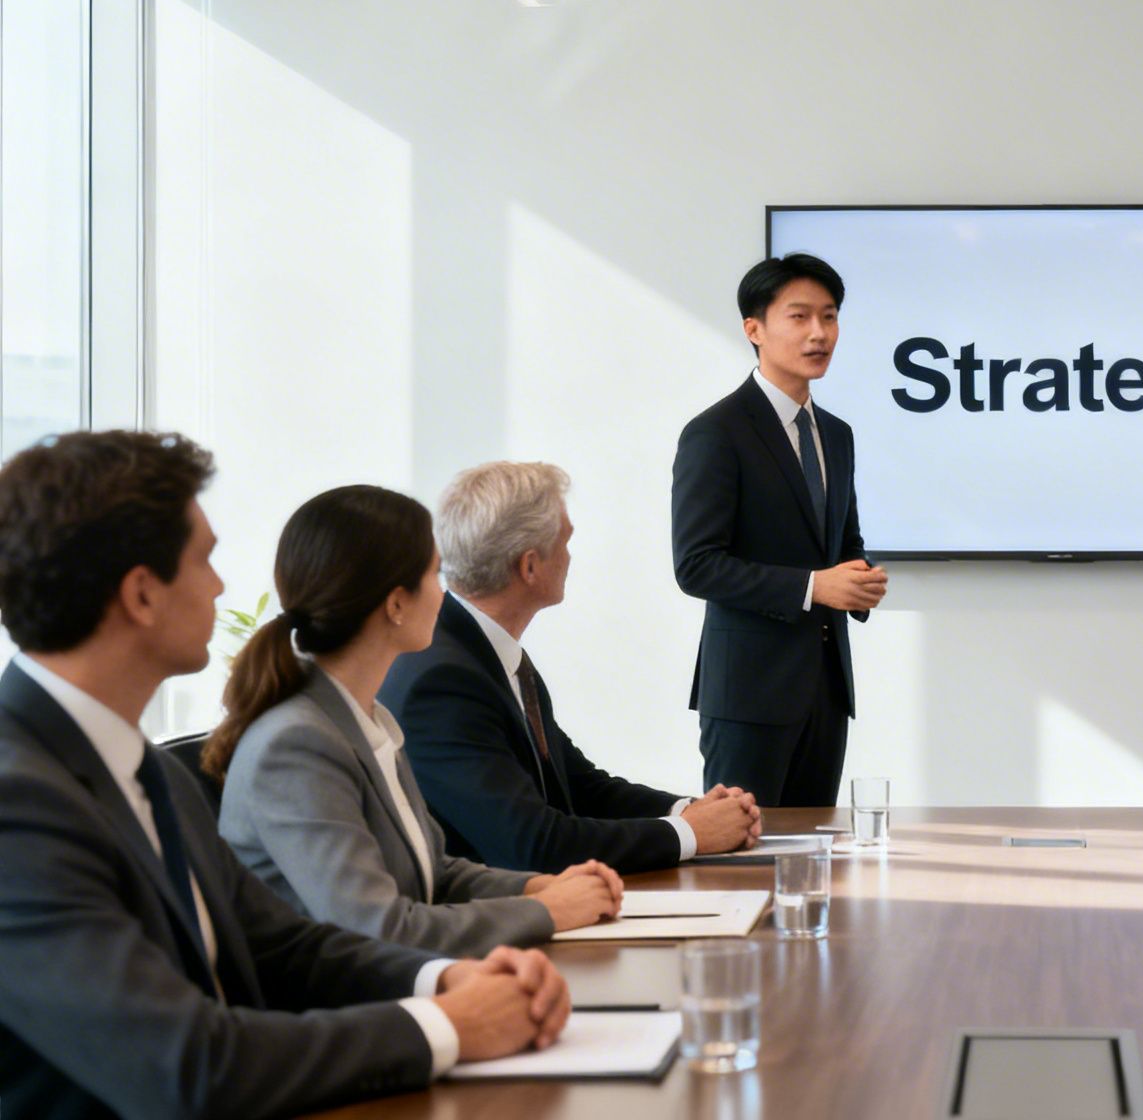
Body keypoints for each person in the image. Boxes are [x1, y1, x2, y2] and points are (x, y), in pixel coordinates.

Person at [0, 431, 569, 1118]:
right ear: (142, 594)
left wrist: (448, 978)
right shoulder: (18, 804)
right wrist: (447, 1026)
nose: (219, 585)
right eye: (203, 560)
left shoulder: (142, 769)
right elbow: (188, 1064)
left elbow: (286, 947)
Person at [208, 485, 624, 954]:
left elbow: (433, 873)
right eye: (434, 575)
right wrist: (547, 911)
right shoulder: (296, 743)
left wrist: (536, 887)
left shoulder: (369, 717)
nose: (444, 594)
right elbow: (380, 928)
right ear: (396, 604)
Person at [383, 462, 759, 874]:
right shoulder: (443, 682)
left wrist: (690, 810)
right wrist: (691, 833)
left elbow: (580, 788)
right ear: (529, 567)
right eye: (565, 541)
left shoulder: (486, 653)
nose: (570, 556)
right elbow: (533, 843)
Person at [670, 253, 888, 805]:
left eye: (830, 316)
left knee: (817, 846)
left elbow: (843, 542)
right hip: (749, 695)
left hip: (826, 691)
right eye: (800, 316)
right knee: (743, 846)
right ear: (754, 329)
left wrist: (859, 578)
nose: (820, 333)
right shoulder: (715, 432)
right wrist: (814, 587)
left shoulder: (836, 434)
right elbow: (696, 565)